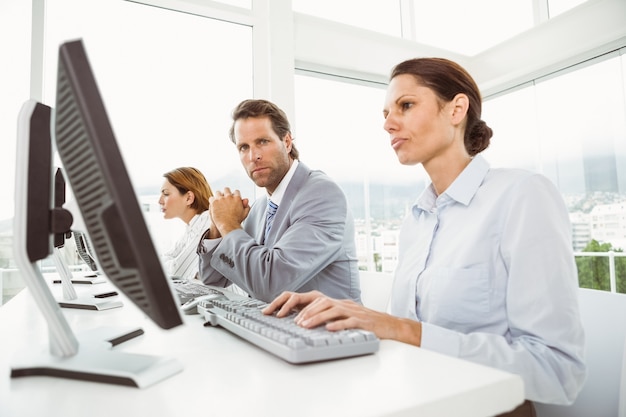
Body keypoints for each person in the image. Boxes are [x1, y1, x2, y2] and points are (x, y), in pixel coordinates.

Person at [263, 58, 586, 414]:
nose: (388, 124)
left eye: (406, 105)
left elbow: (558, 370)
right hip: (415, 399)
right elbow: (402, 331)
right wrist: (348, 313)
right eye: (386, 112)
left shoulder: (522, 195)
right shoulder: (417, 219)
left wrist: (403, 330)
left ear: (456, 109)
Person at [197, 99, 361, 303]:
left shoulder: (323, 195)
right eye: (243, 147)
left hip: (327, 330)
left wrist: (228, 224)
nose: (253, 156)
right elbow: (213, 278)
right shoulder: (260, 208)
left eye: (263, 142)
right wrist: (217, 227)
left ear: (287, 142)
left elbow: (271, 287)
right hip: (271, 327)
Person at [159, 166, 213, 281]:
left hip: (230, 298)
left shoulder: (208, 220)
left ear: (188, 198)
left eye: (166, 194)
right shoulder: (192, 228)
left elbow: (177, 272)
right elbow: (167, 257)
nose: (160, 201)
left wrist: (165, 264)